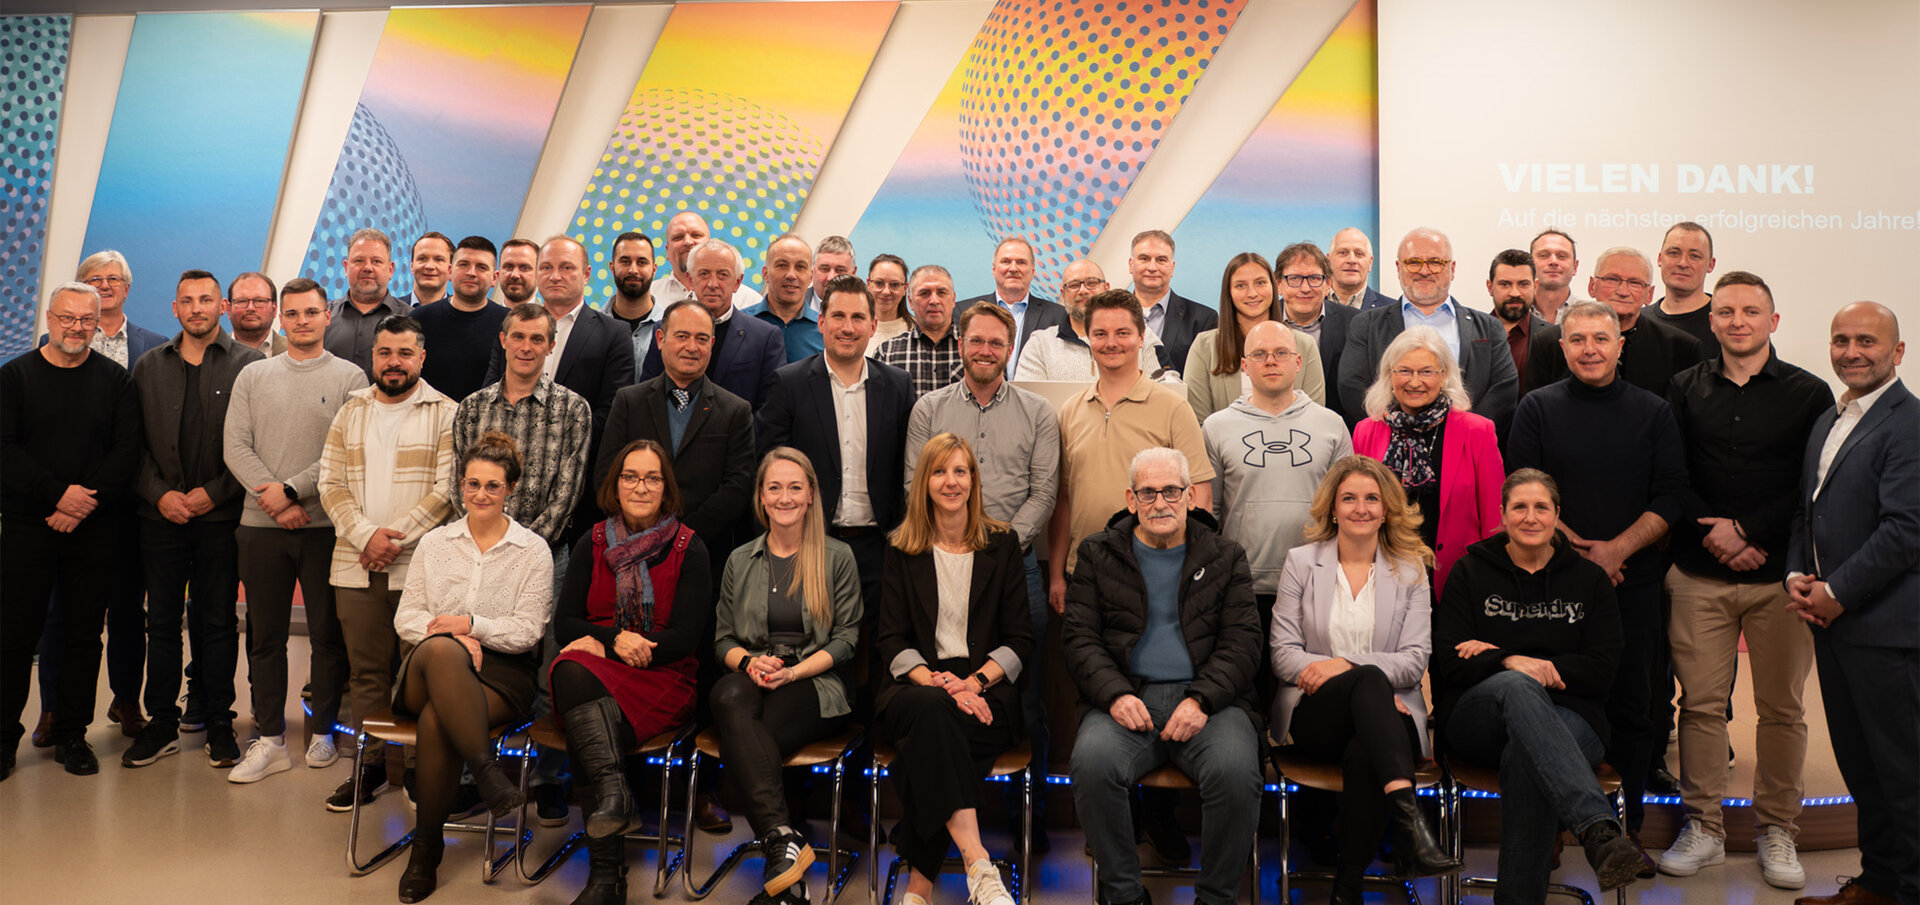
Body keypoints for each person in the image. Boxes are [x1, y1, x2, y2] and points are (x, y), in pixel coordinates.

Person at [1656, 272, 1833, 887]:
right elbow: (1673, 473)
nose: (1738, 321)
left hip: (1780, 577)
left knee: (1782, 709)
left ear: (1772, 322)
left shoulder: (1809, 393)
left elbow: (1812, 483)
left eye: (1751, 311)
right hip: (1698, 573)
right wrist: (1717, 535)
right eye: (1726, 311)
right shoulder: (1682, 387)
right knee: (1700, 707)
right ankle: (1703, 827)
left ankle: (1778, 830)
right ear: (1712, 321)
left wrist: (1749, 533)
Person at [1507, 301, 1689, 851]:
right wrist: (1579, 554)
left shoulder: (1653, 411)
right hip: (1551, 580)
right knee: (1554, 703)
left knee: (1634, 706)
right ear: (1562, 348)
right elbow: (1522, 488)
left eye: (1601, 339)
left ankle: (1627, 832)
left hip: (1633, 582)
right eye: (1578, 340)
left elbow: (1671, 494)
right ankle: (1550, 830)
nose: (1590, 349)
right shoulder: (1537, 407)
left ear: (1620, 346)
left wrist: (1616, 550)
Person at [1431, 469, 1646, 903]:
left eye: (1541, 507)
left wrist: (1502, 657)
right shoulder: (1469, 573)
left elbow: (1603, 669)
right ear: (1502, 514)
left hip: (1573, 719)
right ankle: (1598, 829)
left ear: (1557, 515)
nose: (1530, 517)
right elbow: (1448, 661)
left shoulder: (1589, 580)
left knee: (1525, 754)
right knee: (1515, 685)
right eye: (1520, 507)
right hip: (1480, 719)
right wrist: (1511, 662)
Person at [1064, 447, 1263, 905]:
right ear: (1130, 499)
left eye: (1171, 491)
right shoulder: (1097, 553)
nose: (1160, 503)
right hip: (1126, 699)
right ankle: (1125, 896)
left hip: (1210, 704)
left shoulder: (1225, 555)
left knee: (1237, 773)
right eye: (1148, 493)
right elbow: (1079, 640)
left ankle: (1215, 899)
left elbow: (1242, 642)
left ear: (1190, 496)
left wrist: (1202, 700)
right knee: (1092, 764)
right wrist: (1115, 695)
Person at [903, 302, 1060, 850]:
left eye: (997, 342)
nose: (986, 351)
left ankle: (1028, 819)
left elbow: (1044, 492)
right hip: (940, 567)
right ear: (961, 343)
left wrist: (996, 550)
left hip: (1017, 570)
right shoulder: (929, 408)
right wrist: (961, 547)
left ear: (1010, 348)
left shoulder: (1039, 412)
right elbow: (914, 484)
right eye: (977, 341)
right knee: (944, 690)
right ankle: (943, 816)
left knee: (1026, 699)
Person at [1270, 456, 1457, 902]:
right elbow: (1283, 654)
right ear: (1333, 508)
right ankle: (1410, 824)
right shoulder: (1301, 562)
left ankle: (1347, 887)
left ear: (1387, 508)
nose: (1361, 508)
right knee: (1370, 679)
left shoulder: (1411, 569)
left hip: (1389, 720)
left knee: (1363, 753)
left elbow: (1414, 661)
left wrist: (1343, 664)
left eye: (1372, 498)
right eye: (1349, 498)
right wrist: (1356, 676)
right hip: (1317, 715)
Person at [1785, 302, 1917, 905]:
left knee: (1904, 776)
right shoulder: (1830, 418)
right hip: (1836, 627)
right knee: (1863, 769)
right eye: (1841, 340)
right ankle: (1879, 883)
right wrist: (1797, 573)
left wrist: (1835, 592)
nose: (1851, 351)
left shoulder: (1909, 423)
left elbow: (1906, 530)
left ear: (1897, 352)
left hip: (1887, 630)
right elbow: (1806, 511)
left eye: (1867, 340)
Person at [389, 432, 554, 903]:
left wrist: (473, 626)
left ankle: (426, 850)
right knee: (444, 653)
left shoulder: (533, 550)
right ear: (461, 485)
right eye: (473, 484)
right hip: (427, 664)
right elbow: (407, 617)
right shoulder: (435, 543)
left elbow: (529, 631)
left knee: (437, 720)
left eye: (493, 486)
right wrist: (455, 637)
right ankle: (485, 769)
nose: (481, 494)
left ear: (510, 489)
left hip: (501, 674)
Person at [550, 437, 713, 905]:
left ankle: (606, 879)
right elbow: (566, 624)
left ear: (666, 488)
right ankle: (615, 799)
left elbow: (685, 637)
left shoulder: (689, 547)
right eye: (630, 477)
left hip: (665, 676)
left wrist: (607, 645)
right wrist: (614, 639)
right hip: (599, 670)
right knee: (573, 675)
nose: (640, 487)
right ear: (615, 485)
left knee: (582, 710)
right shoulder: (594, 541)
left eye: (652, 478)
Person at [222, 278, 369, 782]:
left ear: (327, 315)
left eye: (311, 312)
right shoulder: (253, 375)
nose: (302, 321)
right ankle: (270, 740)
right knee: (264, 637)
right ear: (280, 319)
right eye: (292, 313)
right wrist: (274, 498)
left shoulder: (351, 377)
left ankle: (323, 731)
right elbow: (235, 445)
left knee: (328, 636)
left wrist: (290, 490)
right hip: (260, 526)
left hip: (325, 527)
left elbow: (345, 451)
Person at [877, 433, 1033, 905]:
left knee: (929, 744)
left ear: (973, 480)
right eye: (940, 472)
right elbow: (891, 639)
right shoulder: (901, 548)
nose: (951, 482)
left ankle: (919, 887)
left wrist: (974, 682)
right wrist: (938, 683)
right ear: (924, 482)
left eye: (960, 471)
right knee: (933, 714)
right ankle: (977, 864)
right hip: (916, 684)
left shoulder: (1002, 543)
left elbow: (1020, 639)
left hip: (985, 687)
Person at [123, 270, 265, 769]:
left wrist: (214, 494)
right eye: (187, 300)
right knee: (161, 622)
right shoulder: (147, 366)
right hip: (159, 516)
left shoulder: (249, 365)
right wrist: (160, 495)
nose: (197, 308)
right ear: (175, 308)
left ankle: (220, 721)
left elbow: (255, 445)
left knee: (218, 621)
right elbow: (132, 445)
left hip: (221, 518)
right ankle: (161, 721)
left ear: (222, 307)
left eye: (206, 299)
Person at [316, 314, 459, 811]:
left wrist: (392, 540)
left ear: (422, 357)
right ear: (372, 357)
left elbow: (447, 491)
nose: (393, 362)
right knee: (366, 674)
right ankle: (371, 765)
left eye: (404, 353)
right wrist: (366, 536)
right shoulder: (351, 411)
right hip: (355, 563)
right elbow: (330, 483)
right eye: (385, 353)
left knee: (419, 675)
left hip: (420, 567)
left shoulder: (447, 412)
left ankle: (420, 768)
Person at [711, 448, 864, 905]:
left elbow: (847, 640)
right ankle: (784, 847)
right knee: (726, 695)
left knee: (742, 746)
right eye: (774, 487)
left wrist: (793, 671)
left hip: (816, 684)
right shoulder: (740, 559)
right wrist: (750, 663)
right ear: (761, 496)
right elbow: (723, 639)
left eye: (795, 487)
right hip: (754, 679)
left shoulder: (837, 556)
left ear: (811, 494)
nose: (785, 497)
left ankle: (783, 861)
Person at [1, 282, 141, 779]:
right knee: (15, 636)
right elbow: (4, 449)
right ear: (49, 318)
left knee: (84, 634)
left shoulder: (116, 381)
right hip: (28, 525)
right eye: (67, 317)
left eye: (86, 319)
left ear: (97, 323)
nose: (76, 327)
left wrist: (81, 504)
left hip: (93, 527)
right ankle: (4, 738)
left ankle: (73, 735)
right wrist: (56, 494)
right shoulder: (14, 377)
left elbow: (126, 451)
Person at [33, 253, 163, 747]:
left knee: (128, 610)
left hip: (128, 505)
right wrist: (66, 497)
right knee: (58, 614)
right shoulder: (49, 347)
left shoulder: (156, 347)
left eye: (113, 279)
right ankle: (51, 709)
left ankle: (127, 701)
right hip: (66, 505)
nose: (105, 285)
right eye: (94, 279)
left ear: (127, 288)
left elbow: (144, 434)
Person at [757, 275, 916, 619]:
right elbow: (768, 467)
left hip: (881, 548)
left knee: (880, 642)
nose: (848, 327)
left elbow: (907, 470)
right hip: (810, 544)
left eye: (858, 317)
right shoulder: (789, 383)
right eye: (838, 316)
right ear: (821, 322)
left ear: (873, 326)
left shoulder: (898, 386)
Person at [1050, 289, 1216, 616]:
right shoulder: (1070, 410)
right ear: (1088, 339)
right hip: (1082, 571)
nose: (1111, 342)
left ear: (1141, 338)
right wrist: (1056, 573)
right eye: (1100, 333)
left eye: (1123, 333)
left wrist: (1188, 571)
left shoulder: (1173, 408)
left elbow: (1200, 496)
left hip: (1155, 571)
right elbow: (1064, 500)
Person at [1202, 321, 1350, 634]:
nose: (1270, 361)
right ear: (1244, 366)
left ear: (1298, 362)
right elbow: (1208, 516)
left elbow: (1347, 512)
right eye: (1260, 354)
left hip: (1316, 582)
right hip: (1241, 585)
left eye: (1281, 353)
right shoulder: (1216, 428)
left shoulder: (1331, 425)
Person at [1352, 326, 1505, 596]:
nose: (1414, 382)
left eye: (1426, 372)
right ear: (1389, 375)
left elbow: (1494, 517)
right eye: (1404, 371)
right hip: (1382, 575)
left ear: (1444, 375)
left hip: (1458, 578)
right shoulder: (1366, 431)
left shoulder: (1478, 431)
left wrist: (1489, 579)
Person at [1336, 228, 1519, 438]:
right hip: (1389, 447)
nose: (1424, 271)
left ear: (1452, 269)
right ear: (1398, 268)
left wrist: (1462, 434)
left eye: (1435, 262)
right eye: (1413, 262)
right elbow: (1352, 388)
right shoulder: (1367, 325)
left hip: (1466, 445)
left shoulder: (1489, 328)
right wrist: (1398, 434)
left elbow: (1504, 391)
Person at [1526, 246, 1702, 399]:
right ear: (1592, 286)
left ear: (1649, 294)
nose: (1623, 291)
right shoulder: (1548, 342)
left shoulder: (1680, 347)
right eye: (1612, 279)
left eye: (1635, 283)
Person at [640, 237, 785, 410]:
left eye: (723, 275)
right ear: (690, 280)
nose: (712, 284)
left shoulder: (765, 337)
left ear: (737, 282)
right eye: (704, 274)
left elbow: (771, 408)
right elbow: (648, 396)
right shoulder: (665, 329)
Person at [1183, 252, 1327, 422]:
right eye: (1241, 286)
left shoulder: (1305, 345)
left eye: (1260, 283)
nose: (1252, 293)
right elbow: (1196, 422)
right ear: (1229, 292)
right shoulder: (1204, 347)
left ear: (1274, 287)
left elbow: (1314, 417)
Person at [1013, 258, 1168, 381]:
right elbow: (1028, 404)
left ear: (1107, 288)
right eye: (1074, 285)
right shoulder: (1040, 344)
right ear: (1063, 294)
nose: (1083, 290)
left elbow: (1165, 391)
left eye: (1092, 283)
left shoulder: (1141, 335)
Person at [1273, 241, 1359, 423]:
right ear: (1279, 285)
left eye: (1314, 278)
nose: (1305, 288)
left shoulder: (1354, 323)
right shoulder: (1262, 325)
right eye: (1294, 279)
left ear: (1328, 284)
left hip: (1336, 428)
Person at [411, 235, 506, 401]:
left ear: (495, 278)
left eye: (482, 267)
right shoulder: (418, 319)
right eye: (463, 264)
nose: (471, 273)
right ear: (450, 271)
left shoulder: (509, 323)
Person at [958, 237, 1068, 378]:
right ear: (994, 270)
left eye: (1021, 262)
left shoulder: (1059, 316)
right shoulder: (963, 312)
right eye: (1006, 261)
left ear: (1033, 271)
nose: (1013, 268)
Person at [1126, 229, 1216, 375]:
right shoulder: (1109, 316)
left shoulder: (1203, 319)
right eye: (1144, 258)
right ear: (1131, 265)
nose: (1152, 267)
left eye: (1161, 260)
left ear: (1172, 268)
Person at [325, 227, 412, 377]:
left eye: (376, 261)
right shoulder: (322, 317)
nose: (367, 268)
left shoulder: (412, 319)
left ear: (390, 270)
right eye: (359, 260)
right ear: (346, 267)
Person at [875, 264, 963, 397]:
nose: (934, 301)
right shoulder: (888, 353)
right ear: (910, 301)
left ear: (953, 299)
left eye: (941, 293)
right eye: (924, 293)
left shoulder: (973, 348)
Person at [649, 210, 764, 310]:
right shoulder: (649, 296)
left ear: (711, 245)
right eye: (678, 237)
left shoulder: (749, 301)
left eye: (696, 235)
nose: (688, 242)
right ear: (667, 251)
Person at [745, 234, 825, 363]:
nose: (791, 275)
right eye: (782, 265)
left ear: (811, 277)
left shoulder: (825, 332)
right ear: (765, 274)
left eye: (800, 267)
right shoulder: (740, 325)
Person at [1644, 222, 1717, 348]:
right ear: (1660, 259)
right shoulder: (1640, 321)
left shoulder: (1725, 322)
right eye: (1674, 253)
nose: (1683, 263)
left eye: (1694, 256)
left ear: (1711, 265)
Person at [1484, 249, 1546, 392]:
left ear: (1535, 286)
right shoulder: (1472, 334)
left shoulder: (1552, 337)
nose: (1515, 293)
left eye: (1523, 284)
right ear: (1490, 287)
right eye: (1505, 284)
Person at [604, 231, 663, 365]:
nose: (633, 270)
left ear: (654, 269)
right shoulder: (593, 327)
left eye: (642, 262)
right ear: (612, 268)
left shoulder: (669, 326)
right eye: (625, 261)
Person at [225, 271, 288, 357]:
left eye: (260, 301)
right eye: (242, 301)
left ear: (274, 309)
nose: (250, 308)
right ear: (229, 309)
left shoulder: (296, 352)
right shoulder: (211, 354)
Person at [1328, 228, 1391, 310]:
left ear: (1370, 263)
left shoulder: (1391, 310)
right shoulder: (1313, 304)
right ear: (1328, 261)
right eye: (1342, 253)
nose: (1352, 260)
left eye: (1359, 254)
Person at [863, 253, 914, 356]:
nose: (886, 291)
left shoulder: (917, 331)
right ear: (868, 284)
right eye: (879, 283)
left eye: (894, 285)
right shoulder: (855, 327)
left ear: (905, 288)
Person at [1529, 229, 1582, 325]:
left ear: (1575, 267)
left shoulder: (1592, 315)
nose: (1553, 261)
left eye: (1562, 256)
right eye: (1544, 255)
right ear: (1530, 265)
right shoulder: (1515, 312)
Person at [399, 231, 454, 307]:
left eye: (438, 259)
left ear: (451, 270)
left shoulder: (463, 311)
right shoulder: (390, 310)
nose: (430, 266)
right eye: (422, 258)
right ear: (412, 266)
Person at [804, 235, 857, 311]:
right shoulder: (791, 305)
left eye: (840, 270)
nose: (831, 277)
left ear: (853, 273)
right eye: (825, 269)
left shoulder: (866, 310)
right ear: (812, 272)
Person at [495, 238, 540, 305]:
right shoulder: (487, 312)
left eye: (525, 268)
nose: (515, 275)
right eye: (509, 267)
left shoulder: (551, 312)